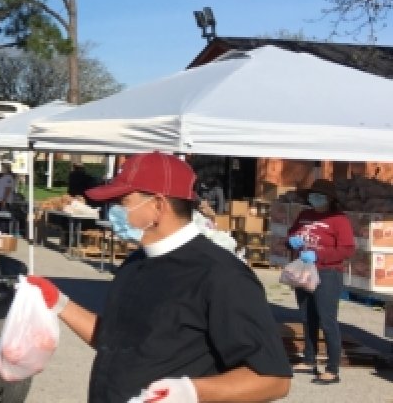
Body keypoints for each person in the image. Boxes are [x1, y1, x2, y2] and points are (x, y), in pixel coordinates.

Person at [27, 151, 291, 402]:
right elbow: (114, 343)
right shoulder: (136, 263)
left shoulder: (222, 275)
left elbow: (272, 379)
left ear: (157, 205)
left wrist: (191, 392)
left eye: (123, 202)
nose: (113, 211)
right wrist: (59, 303)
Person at [286, 179, 355, 385]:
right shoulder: (304, 215)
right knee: (307, 316)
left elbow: (347, 249)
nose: (314, 199)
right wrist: (291, 240)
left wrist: (320, 255)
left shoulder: (338, 219)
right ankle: (309, 359)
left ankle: (332, 369)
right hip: (304, 270)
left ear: (329, 199)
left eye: (320, 196)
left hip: (327, 273)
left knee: (327, 319)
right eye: (312, 195)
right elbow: (292, 233)